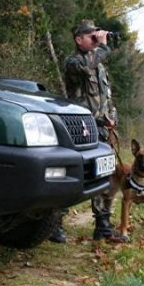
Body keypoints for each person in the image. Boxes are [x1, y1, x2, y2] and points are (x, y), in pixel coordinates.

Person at [54, 20, 127, 243]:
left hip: (102, 128)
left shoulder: (99, 65)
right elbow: (87, 65)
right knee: (74, 175)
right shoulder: (74, 62)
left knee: (104, 175)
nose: (95, 40)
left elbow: (107, 97)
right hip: (81, 129)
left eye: (97, 36)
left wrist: (112, 117)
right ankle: (54, 224)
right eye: (91, 36)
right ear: (78, 39)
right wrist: (102, 46)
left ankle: (103, 226)